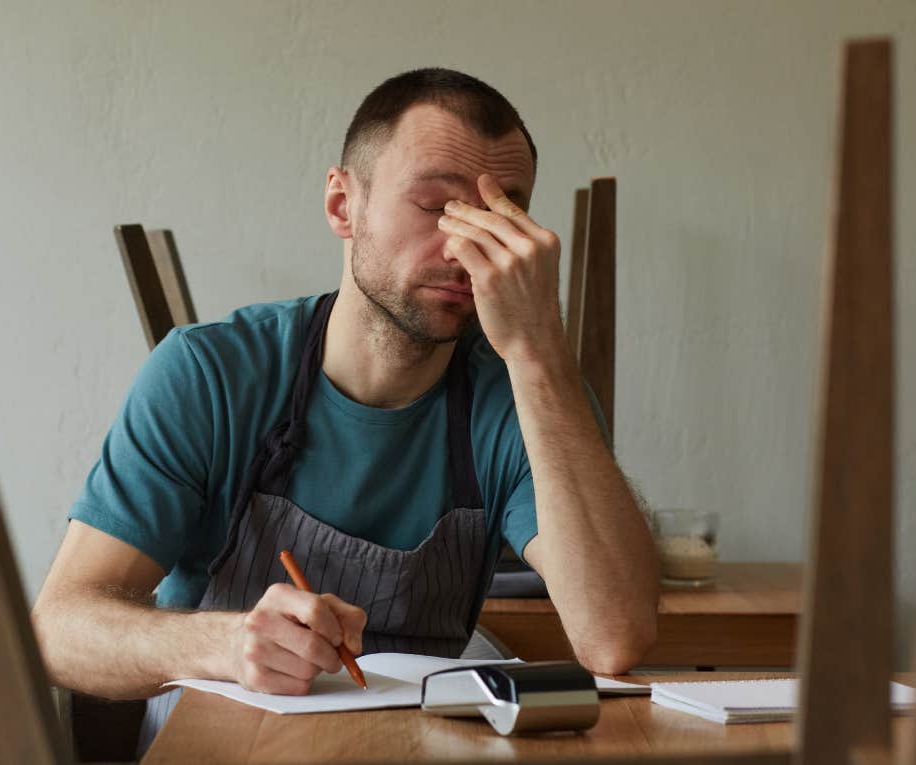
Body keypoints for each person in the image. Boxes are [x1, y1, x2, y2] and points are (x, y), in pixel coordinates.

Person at [32, 68, 658, 714]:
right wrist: (224, 641)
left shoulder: (524, 390)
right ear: (342, 205)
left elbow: (613, 639)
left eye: (501, 217)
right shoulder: (210, 373)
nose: (464, 247)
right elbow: (58, 630)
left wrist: (541, 351)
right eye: (437, 206)